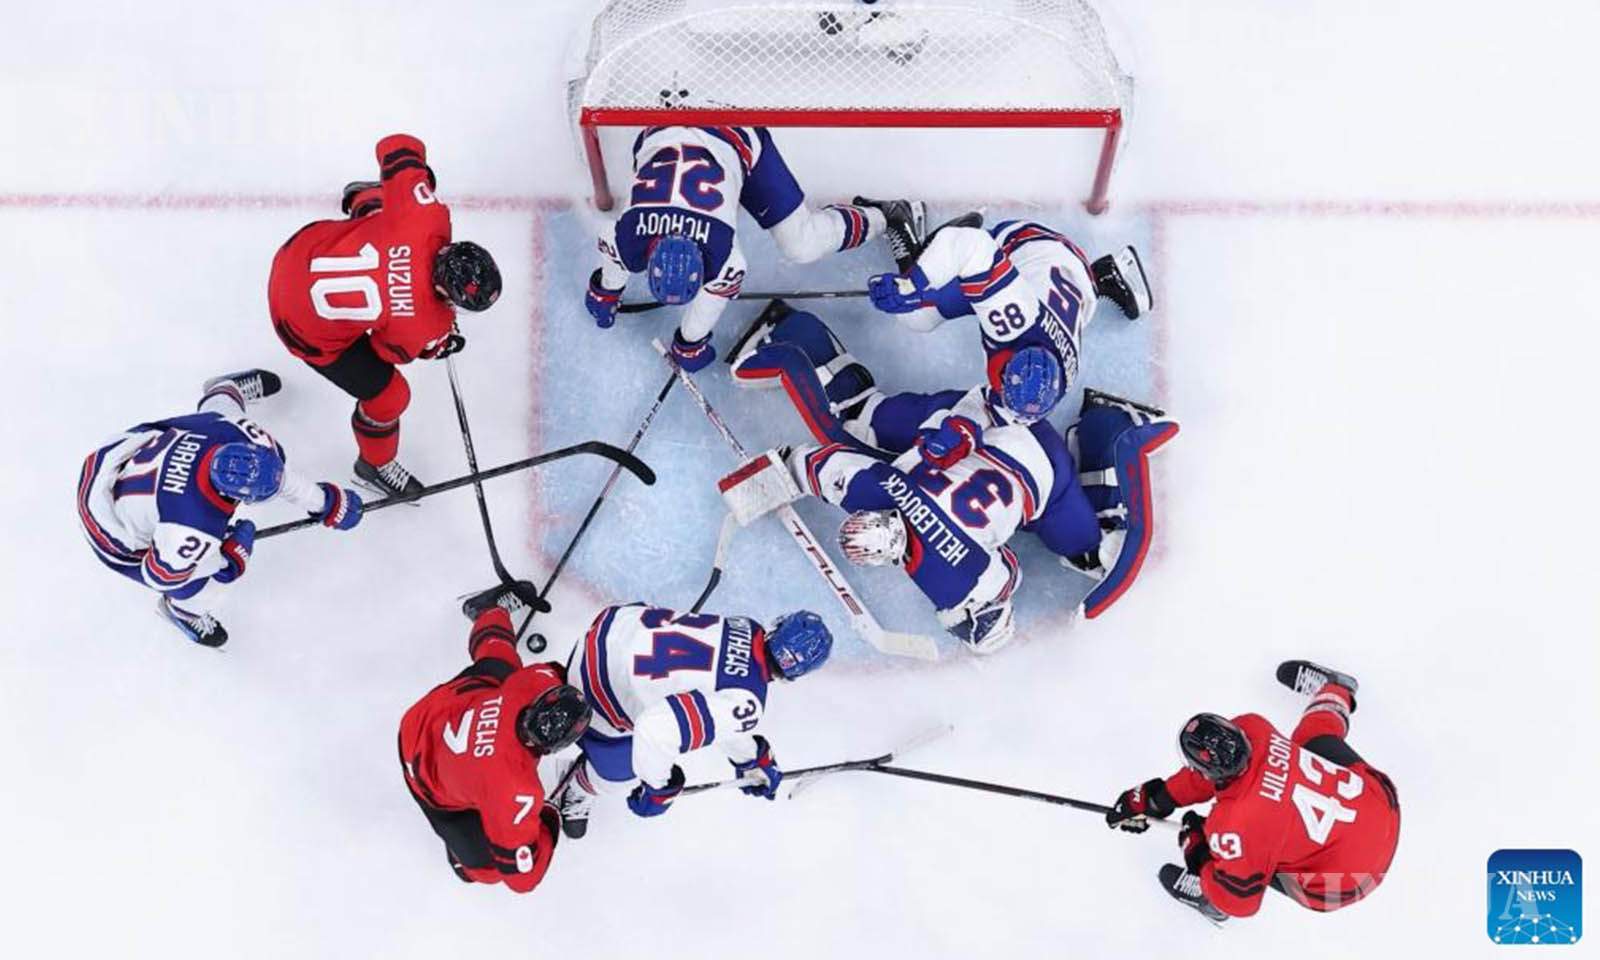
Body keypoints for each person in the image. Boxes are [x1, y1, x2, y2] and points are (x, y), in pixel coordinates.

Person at [725, 302, 1177, 637]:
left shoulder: (905, 519)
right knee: (861, 420)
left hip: (1039, 474)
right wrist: (750, 489)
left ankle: (1106, 428)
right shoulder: (877, 490)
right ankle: (1108, 426)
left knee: (1089, 549)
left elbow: (1006, 585)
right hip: (1022, 460)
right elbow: (806, 464)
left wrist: (976, 608)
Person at [269, 133, 502, 498]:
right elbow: (384, 352)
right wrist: (434, 345)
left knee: (395, 212)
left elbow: (396, 144)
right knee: (390, 397)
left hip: (299, 249)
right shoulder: (429, 323)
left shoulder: (431, 217)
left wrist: (418, 180)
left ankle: (367, 200)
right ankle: (373, 465)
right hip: (299, 328)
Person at [583, 123, 921, 371]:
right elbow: (616, 258)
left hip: (732, 136)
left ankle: (887, 215)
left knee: (802, 244)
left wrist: (607, 294)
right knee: (799, 243)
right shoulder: (631, 237)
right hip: (668, 128)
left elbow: (619, 263)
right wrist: (686, 343)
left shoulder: (709, 251)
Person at [75, 369, 362, 647]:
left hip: (129, 464)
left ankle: (223, 388)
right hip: (114, 526)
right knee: (202, 584)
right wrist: (227, 562)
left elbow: (278, 476)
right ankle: (183, 612)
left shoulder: (231, 434)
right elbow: (159, 575)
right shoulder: (191, 527)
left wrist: (325, 502)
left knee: (219, 415)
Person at [1105, 660, 1401, 922]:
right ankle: (1336, 690)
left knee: (1239, 867)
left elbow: (1242, 903)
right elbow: (1216, 772)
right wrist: (1157, 799)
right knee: (1311, 738)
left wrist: (1196, 850)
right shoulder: (1254, 727)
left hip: (1351, 882)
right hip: (1382, 806)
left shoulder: (1232, 826)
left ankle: (1211, 901)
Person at [548, 602, 832, 837]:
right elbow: (655, 730)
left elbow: (720, 704)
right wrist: (657, 788)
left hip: (605, 632)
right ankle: (578, 788)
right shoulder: (748, 701)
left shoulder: (747, 626)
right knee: (627, 769)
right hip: (597, 692)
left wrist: (750, 757)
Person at [398, 585, 592, 893]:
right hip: (422, 770)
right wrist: (549, 819)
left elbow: (559, 676)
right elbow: (522, 878)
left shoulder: (530, 683)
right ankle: (463, 859)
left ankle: (488, 611)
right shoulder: (516, 789)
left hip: (429, 714)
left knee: (501, 663)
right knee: (487, 870)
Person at [865, 217, 1151, 421]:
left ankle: (1100, 277)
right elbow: (969, 246)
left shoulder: (1047, 391)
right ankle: (910, 228)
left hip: (1075, 283)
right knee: (915, 316)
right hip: (1024, 244)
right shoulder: (1012, 319)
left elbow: (1008, 412)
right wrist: (912, 285)